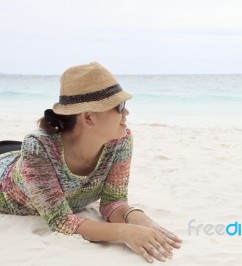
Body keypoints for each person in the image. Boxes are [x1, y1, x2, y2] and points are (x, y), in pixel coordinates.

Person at [0, 62, 182, 263]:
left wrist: (135, 217)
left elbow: (113, 201)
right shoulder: (38, 147)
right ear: (88, 118)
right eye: (119, 107)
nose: (126, 113)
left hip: (25, 157)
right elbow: (60, 220)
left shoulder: (120, 140)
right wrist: (125, 232)